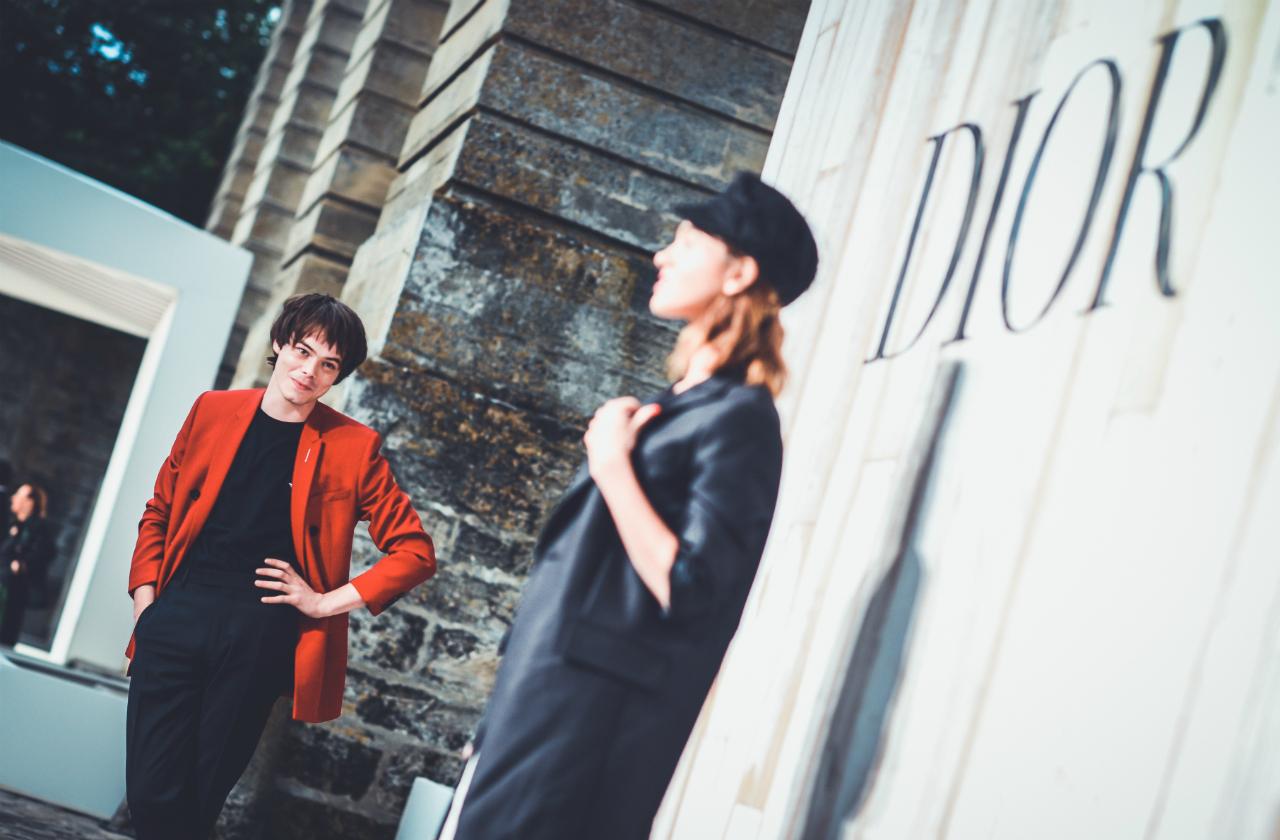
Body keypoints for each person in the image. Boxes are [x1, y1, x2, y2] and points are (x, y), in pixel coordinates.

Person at [451, 172, 819, 839]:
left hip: (582, 735)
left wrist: (614, 466)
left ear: (738, 273)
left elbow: (694, 588)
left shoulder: (739, 419)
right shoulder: (685, 405)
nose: (663, 254)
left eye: (687, 239)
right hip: (539, 709)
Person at [124, 293, 437, 839]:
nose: (309, 370)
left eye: (328, 364)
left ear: (338, 375)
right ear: (279, 344)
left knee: (200, 798)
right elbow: (159, 511)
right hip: (176, 615)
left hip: (260, 633)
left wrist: (322, 602)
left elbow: (414, 551)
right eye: (302, 350)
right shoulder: (212, 410)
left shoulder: (353, 447)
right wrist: (147, 609)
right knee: (150, 792)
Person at [0, 482, 53, 647]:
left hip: (13, 586)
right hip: (5, 580)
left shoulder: (37, 527)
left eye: (19, 495)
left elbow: (47, 551)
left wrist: (23, 564)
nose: (13, 498)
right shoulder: (14, 525)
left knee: (6, 627)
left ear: (30, 502)